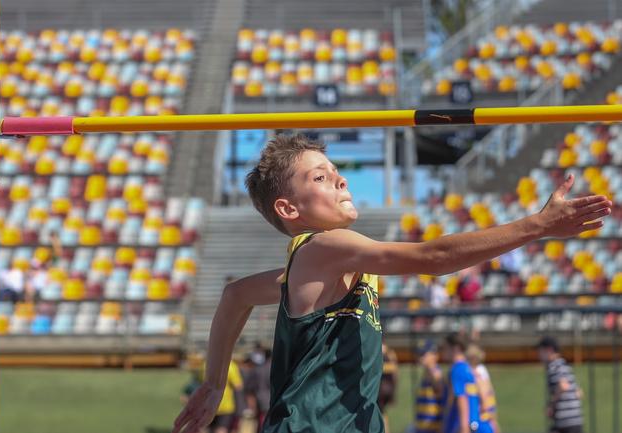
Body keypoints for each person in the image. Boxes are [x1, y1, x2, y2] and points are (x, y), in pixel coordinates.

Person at [173, 134, 611, 433]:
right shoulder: (326, 247)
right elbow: (434, 258)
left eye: (335, 170)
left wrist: (214, 383)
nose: (341, 178)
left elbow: (236, 295)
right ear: (289, 209)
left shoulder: (307, 272)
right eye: (320, 177)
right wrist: (537, 226)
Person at [442, 333, 489, 433]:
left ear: (455, 348)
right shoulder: (467, 368)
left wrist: (463, 428)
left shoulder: (457, 370)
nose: (442, 352)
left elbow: (462, 398)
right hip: (474, 424)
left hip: (463, 425)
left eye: (445, 348)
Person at [537, 336, 583, 433]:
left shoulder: (553, 366)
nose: (539, 355)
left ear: (549, 350)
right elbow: (579, 393)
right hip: (576, 419)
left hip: (565, 422)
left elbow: (563, 385)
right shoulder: (565, 365)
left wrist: (552, 406)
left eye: (540, 351)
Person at [466, 343, 500, 433]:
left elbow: (484, 402)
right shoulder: (482, 370)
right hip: (487, 417)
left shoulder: (475, 372)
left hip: (481, 419)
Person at [415, 339, 444, 433]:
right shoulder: (427, 373)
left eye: (423, 354)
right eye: (419, 354)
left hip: (433, 428)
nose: (420, 357)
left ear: (434, 355)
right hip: (423, 428)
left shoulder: (435, 374)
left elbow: (443, 401)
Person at [378, 343, 398, 432]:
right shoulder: (391, 353)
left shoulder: (376, 349)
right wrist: (394, 393)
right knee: (382, 413)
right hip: (388, 388)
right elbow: (395, 375)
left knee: (380, 412)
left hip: (381, 389)